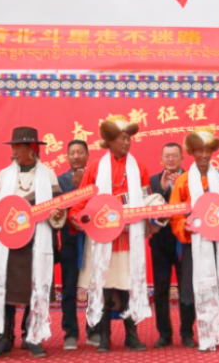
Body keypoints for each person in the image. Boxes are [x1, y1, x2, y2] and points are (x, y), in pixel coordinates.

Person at [72, 116, 166, 353]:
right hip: (102, 239)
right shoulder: (95, 167)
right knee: (103, 289)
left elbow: (146, 199)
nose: (126, 142)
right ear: (110, 141)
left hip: (128, 240)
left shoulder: (139, 168)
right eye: (121, 138)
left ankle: (131, 336)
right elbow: (82, 200)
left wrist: (155, 210)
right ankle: (104, 337)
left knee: (128, 288)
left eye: (128, 138)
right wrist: (77, 217)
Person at [0, 126, 66, 359]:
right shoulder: (4, 175)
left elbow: (58, 208)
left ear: (32, 148)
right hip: (7, 241)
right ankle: (4, 338)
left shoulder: (48, 175)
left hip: (36, 240)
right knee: (4, 288)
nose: (14, 151)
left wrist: (57, 214)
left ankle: (32, 337)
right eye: (13, 147)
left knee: (34, 287)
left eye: (18, 147)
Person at [169, 128, 219, 351]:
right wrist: (185, 226)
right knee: (193, 290)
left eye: (207, 151)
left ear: (212, 153)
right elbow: (175, 214)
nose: (203, 155)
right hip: (195, 244)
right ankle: (192, 333)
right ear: (192, 153)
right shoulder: (183, 181)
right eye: (199, 151)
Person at [148, 143, 193, 348]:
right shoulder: (153, 182)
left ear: (182, 158)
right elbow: (150, 210)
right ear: (161, 159)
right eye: (167, 156)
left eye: (175, 155)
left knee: (187, 288)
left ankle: (187, 333)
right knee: (161, 289)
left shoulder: (192, 179)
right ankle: (164, 334)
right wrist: (164, 190)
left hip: (185, 241)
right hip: (161, 243)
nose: (171, 159)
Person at [55, 139, 91, 350]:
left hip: (93, 241)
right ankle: (70, 332)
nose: (76, 156)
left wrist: (83, 187)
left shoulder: (96, 178)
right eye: (72, 153)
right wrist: (77, 190)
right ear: (67, 157)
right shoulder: (59, 182)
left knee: (94, 288)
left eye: (80, 152)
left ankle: (95, 329)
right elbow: (57, 212)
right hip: (69, 241)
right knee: (69, 288)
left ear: (87, 155)